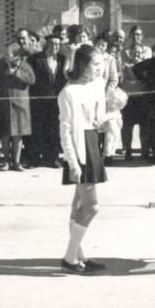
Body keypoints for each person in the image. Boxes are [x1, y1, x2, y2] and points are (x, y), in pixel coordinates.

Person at [58, 45, 108, 274]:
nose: (100, 69)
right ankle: (70, 257)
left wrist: (108, 119)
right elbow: (66, 130)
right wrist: (73, 162)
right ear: (82, 65)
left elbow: (94, 120)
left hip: (92, 144)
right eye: (95, 65)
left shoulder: (94, 87)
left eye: (101, 64)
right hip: (80, 151)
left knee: (78, 205)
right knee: (92, 206)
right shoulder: (68, 92)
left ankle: (78, 255)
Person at [0, 31, 36, 172]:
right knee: (5, 133)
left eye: (8, 54)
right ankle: (6, 162)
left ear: (16, 55)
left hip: (20, 104)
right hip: (3, 104)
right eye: (4, 53)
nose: (5, 56)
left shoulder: (25, 65)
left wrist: (16, 73)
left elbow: (32, 80)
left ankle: (16, 162)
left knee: (18, 134)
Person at [28, 34, 68, 167]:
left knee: (54, 129)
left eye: (58, 44)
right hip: (39, 100)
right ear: (46, 44)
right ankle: (34, 159)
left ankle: (53, 158)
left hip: (56, 100)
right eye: (53, 44)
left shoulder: (63, 59)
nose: (55, 47)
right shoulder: (35, 59)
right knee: (38, 128)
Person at [120, 42, 148, 161]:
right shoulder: (125, 66)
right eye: (134, 51)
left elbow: (147, 82)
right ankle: (128, 150)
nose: (137, 54)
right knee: (127, 128)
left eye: (139, 52)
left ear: (142, 54)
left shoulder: (146, 66)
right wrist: (138, 83)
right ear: (129, 53)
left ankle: (145, 151)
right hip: (129, 101)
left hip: (142, 100)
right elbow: (123, 83)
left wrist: (132, 82)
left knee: (144, 127)